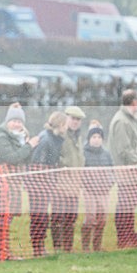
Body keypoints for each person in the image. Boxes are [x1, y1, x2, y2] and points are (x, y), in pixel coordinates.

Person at [0, 103, 39, 260]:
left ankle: (6, 251)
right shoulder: (1, 138)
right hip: (3, 185)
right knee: (4, 217)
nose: (17, 124)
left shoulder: (20, 139)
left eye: (20, 121)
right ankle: (2, 252)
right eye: (14, 120)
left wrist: (27, 146)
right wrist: (29, 145)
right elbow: (13, 158)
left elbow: (25, 158)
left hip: (14, 183)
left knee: (9, 217)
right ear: (7, 121)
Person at [108, 89, 137, 247]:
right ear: (134, 102)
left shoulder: (130, 119)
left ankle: (130, 236)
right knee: (125, 205)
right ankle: (123, 238)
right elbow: (124, 150)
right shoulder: (122, 121)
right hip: (126, 172)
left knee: (130, 204)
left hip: (134, 171)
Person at [26, 111, 67, 257]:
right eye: (65, 125)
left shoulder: (55, 138)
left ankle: (40, 247)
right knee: (39, 217)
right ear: (60, 125)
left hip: (46, 185)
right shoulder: (46, 139)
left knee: (43, 217)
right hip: (38, 186)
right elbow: (38, 164)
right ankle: (37, 248)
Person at [53, 105, 86, 252]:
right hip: (60, 186)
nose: (75, 122)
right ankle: (57, 247)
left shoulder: (78, 137)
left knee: (71, 218)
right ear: (66, 118)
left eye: (78, 119)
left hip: (74, 186)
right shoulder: (60, 135)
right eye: (73, 118)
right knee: (58, 218)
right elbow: (55, 157)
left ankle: (68, 247)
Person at [81, 122, 115, 251]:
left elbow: (112, 170)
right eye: (94, 137)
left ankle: (97, 246)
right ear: (89, 138)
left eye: (99, 137)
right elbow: (81, 171)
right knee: (90, 218)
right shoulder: (84, 153)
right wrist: (86, 184)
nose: (96, 140)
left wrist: (109, 184)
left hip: (104, 191)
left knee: (102, 219)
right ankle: (85, 246)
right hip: (90, 191)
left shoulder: (106, 154)